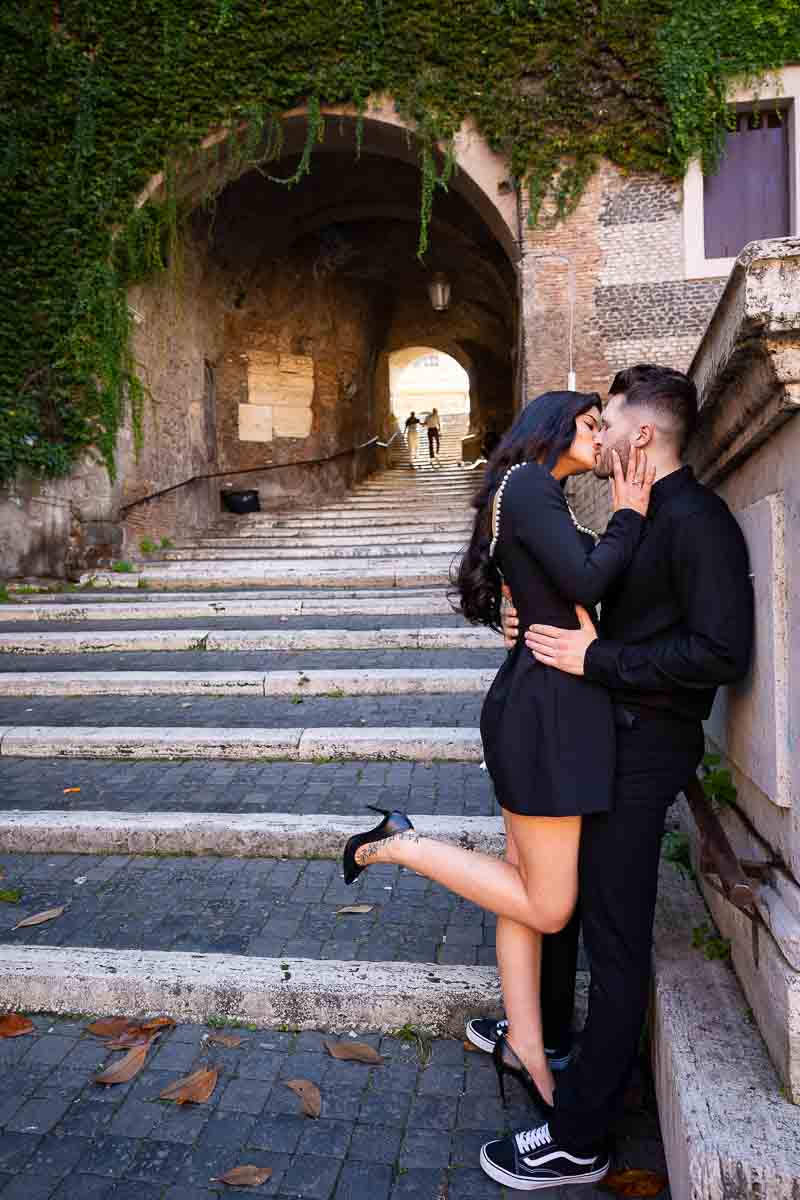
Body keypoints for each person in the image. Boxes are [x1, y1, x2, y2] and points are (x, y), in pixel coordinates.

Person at [341, 391, 653, 1136]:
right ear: (552, 428)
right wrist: (631, 512)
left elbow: (552, 589)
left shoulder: (533, 493)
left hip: (547, 708)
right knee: (548, 905)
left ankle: (527, 1051)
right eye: (588, 423)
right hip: (545, 717)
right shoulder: (528, 485)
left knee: (521, 893)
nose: (599, 433)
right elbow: (584, 582)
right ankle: (400, 843)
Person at [475, 364, 754, 1192]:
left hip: (644, 748)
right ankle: (549, 1036)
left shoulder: (698, 521)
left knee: (616, 937)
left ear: (641, 436)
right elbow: (584, 584)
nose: (595, 431)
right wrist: (523, 608)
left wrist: (599, 657)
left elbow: (719, 653)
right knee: (565, 898)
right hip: (600, 737)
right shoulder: (637, 514)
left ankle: (582, 1133)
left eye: (609, 418)